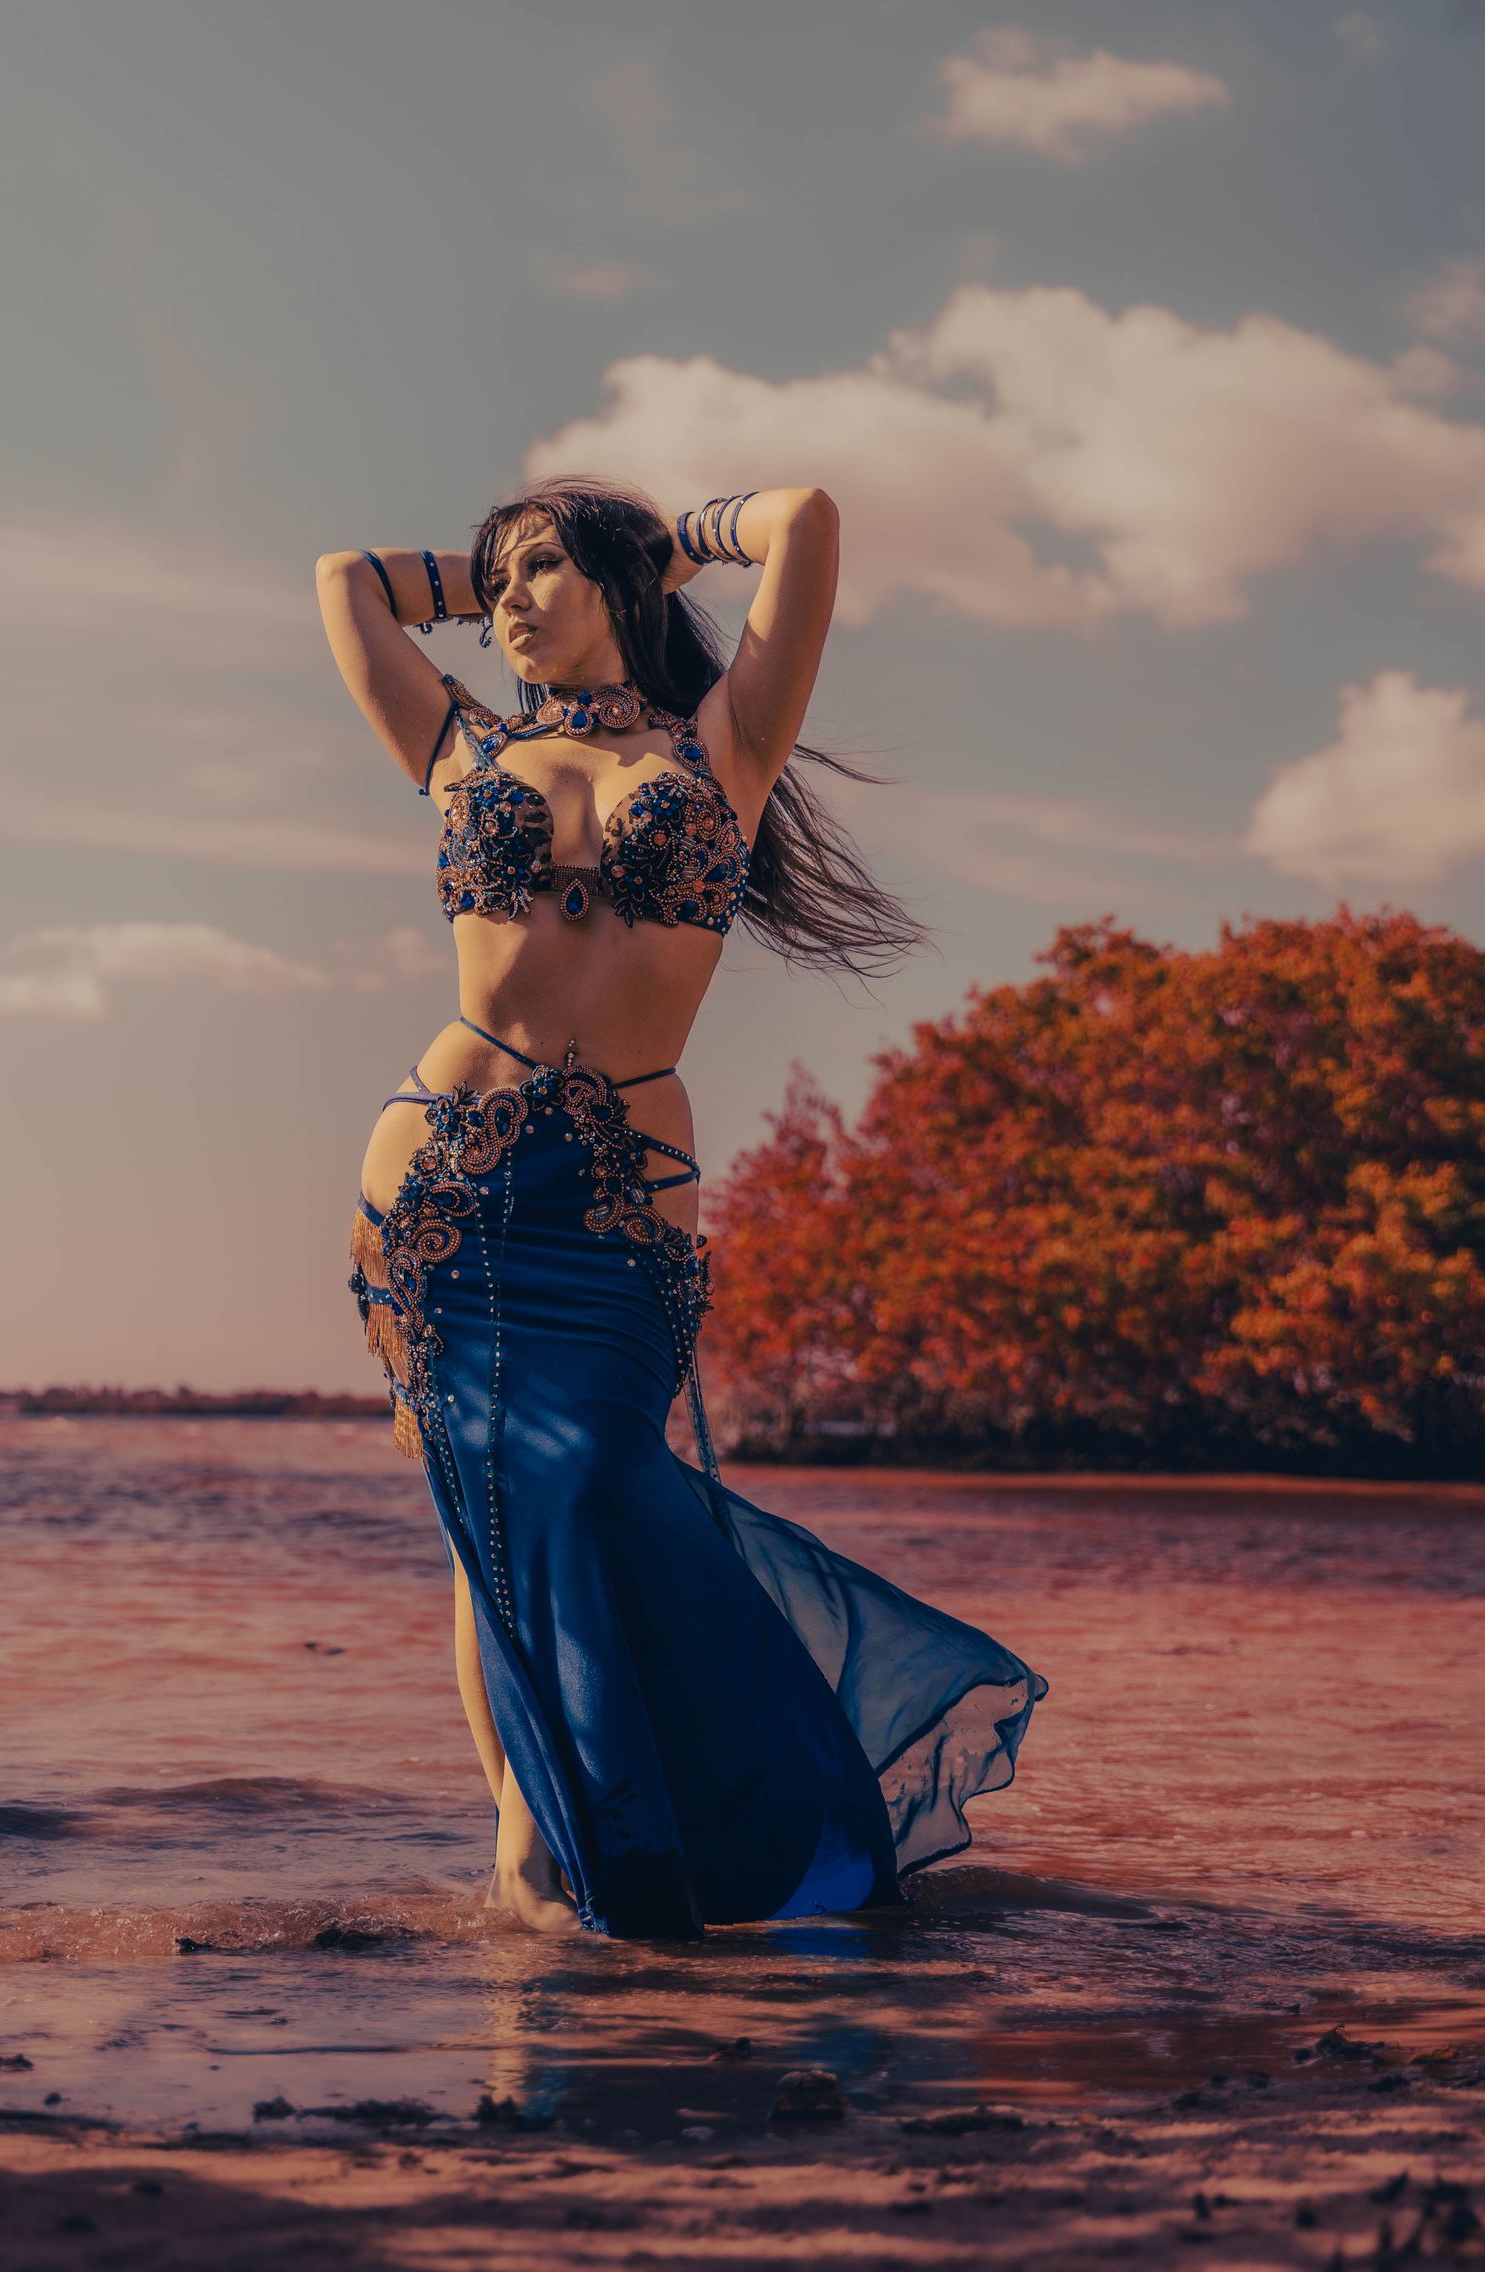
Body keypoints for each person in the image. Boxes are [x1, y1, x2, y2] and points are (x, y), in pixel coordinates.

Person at [315, 476, 1046, 1940]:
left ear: (622, 590)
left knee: (593, 1485)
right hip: (448, 1184)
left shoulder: (725, 751)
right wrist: (479, 570)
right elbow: (347, 581)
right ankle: (526, 1846)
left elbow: (812, 521)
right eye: (498, 579)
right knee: (498, 1519)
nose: (512, 600)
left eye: (543, 573)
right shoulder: (463, 746)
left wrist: (675, 535)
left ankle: (678, 1814)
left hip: (618, 1214)